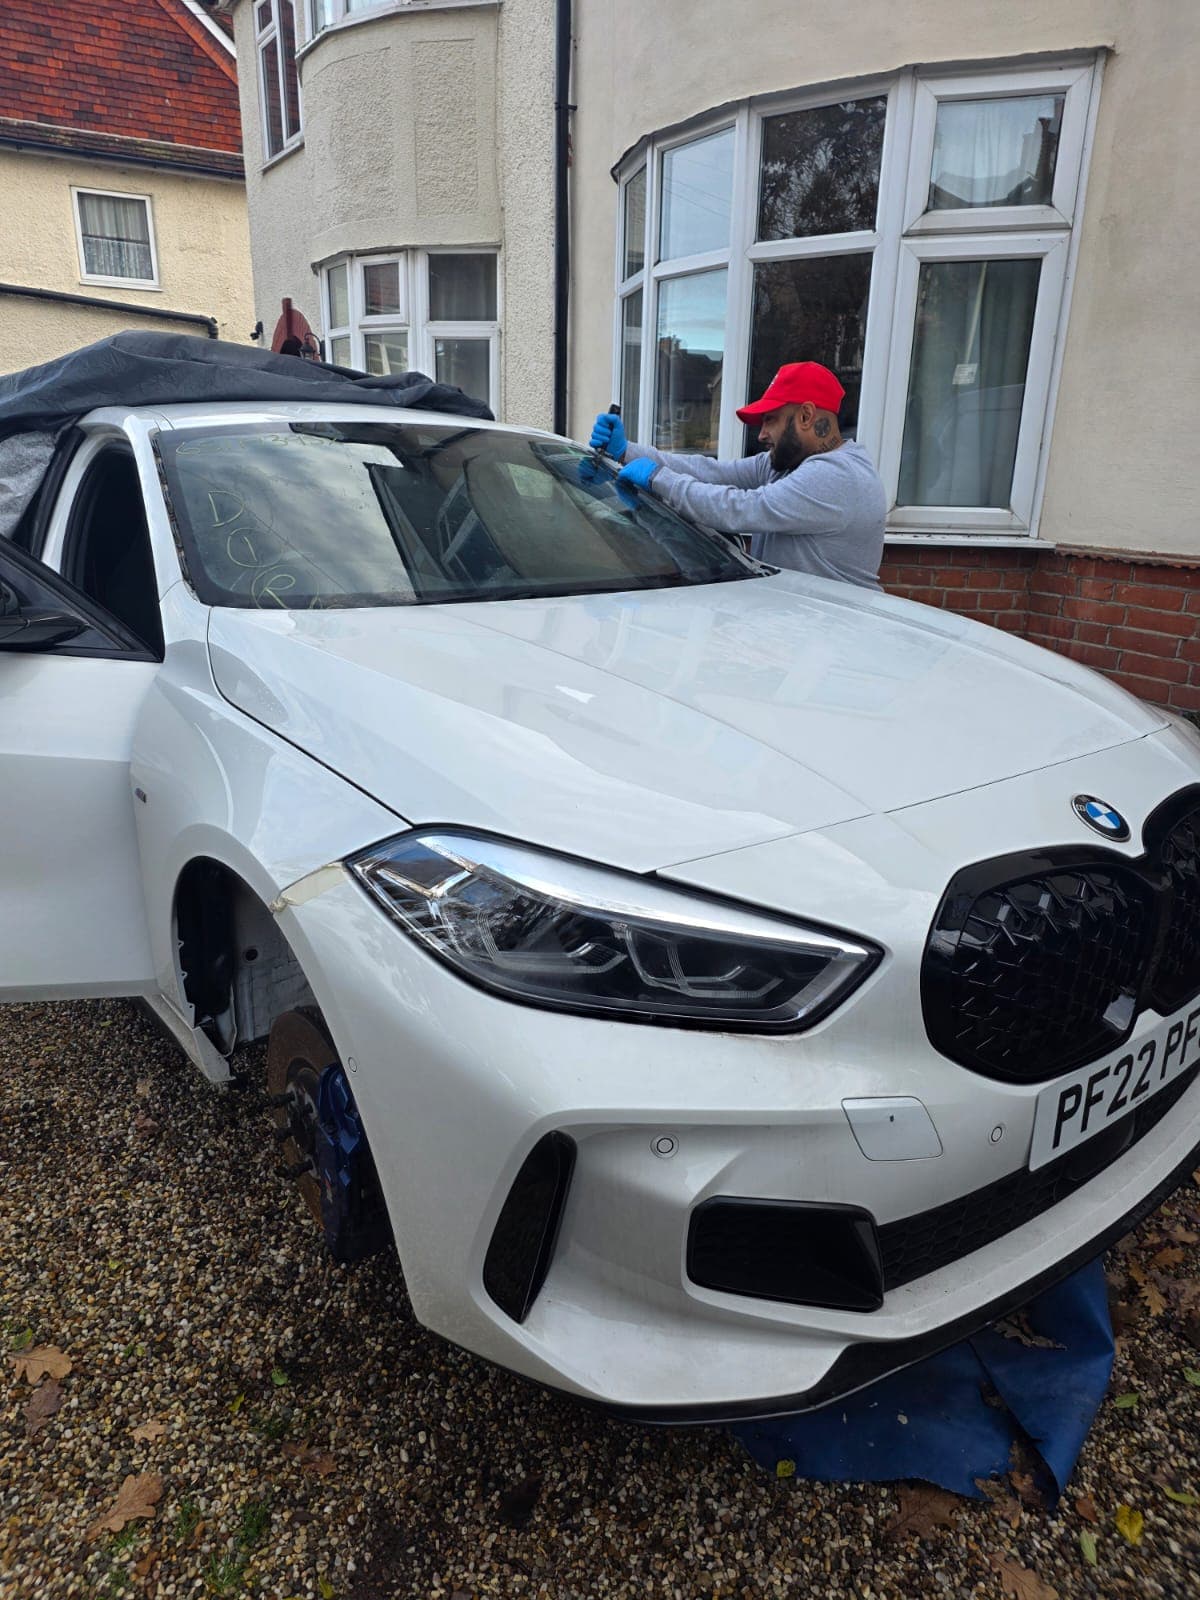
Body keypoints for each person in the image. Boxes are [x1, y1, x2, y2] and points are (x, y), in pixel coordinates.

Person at [589, 361, 886, 589]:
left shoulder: (839, 476)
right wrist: (626, 451)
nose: (762, 434)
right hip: (804, 630)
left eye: (770, 420)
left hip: (837, 642)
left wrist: (658, 478)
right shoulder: (786, 463)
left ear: (806, 416)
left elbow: (740, 508)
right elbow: (711, 473)